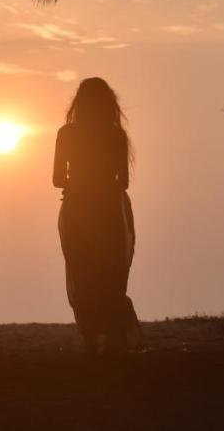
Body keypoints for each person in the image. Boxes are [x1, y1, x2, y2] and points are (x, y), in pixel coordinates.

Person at [53, 77, 141, 354]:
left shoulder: (66, 134)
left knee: (81, 270)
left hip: (77, 209)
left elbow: (56, 179)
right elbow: (124, 182)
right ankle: (116, 334)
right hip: (109, 210)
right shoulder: (116, 135)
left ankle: (91, 336)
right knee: (112, 271)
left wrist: (77, 181)